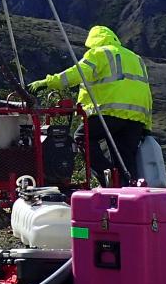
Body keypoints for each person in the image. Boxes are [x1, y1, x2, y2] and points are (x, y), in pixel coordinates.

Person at [28, 25, 152, 187]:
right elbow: (147, 93)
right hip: (136, 118)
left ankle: (107, 178)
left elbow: (76, 73)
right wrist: (147, 125)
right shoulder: (136, 59)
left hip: (109, 111)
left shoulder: (99, 53)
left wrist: (48, 82)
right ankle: (129, 191)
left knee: (82, 138)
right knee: (125, 157)